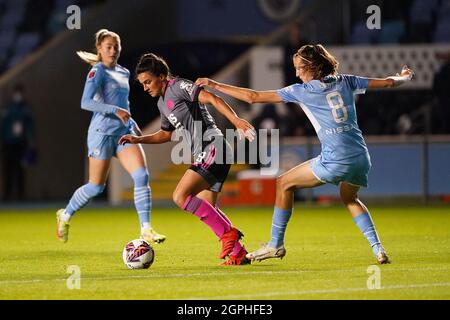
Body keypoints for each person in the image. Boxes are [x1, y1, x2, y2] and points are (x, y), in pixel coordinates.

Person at [195, 44, 415, 264]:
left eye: (300, 68)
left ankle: (275, 244)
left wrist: (214, 84)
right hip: (360, 157)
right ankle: (378, 249)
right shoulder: (346, 81)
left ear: (313, 67)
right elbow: (388, 82)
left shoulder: (302, 91)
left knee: (283, 183)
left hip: (335, 160)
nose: (297, 73)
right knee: (350, 198)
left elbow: (253, 97)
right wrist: (404, 76)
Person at [118, 53, 256, 266]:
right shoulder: (162, 103)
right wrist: (138, 139)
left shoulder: (178, 86)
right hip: (211, 151)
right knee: (209, 207)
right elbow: (165, 134)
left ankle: (229, 236)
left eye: (148, 82)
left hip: (213, 147)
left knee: (180, 195)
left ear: (162, 76)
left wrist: (236, 121)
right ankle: (239, 253)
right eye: (142, 84)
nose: (145, 87)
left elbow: (212, 98)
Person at [56, 29, 166, 245]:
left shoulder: (124, 72)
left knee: (141, 175)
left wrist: (131, 123)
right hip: (101, 134)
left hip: (123, 134)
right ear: (99, 48)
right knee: (96, 187)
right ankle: (65, 215)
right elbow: (85, 102)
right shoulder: (97, 72)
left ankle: (146, 229)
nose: (113, 50)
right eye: (108, 46)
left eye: (116, 46)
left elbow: (124, 105)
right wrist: (115, 110)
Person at [0, 83, 36, 201]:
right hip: (9, 142)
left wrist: (31, 142)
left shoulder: (26, 108)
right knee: (8, 168)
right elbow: (3, 125)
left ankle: (21, 194)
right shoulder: (9, 107)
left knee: (20, 169)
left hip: (21, 143)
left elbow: (30, 126)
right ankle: (7, 193)